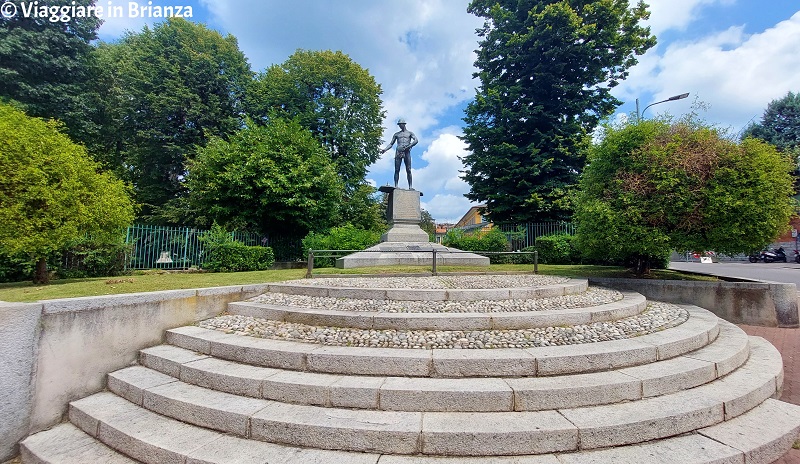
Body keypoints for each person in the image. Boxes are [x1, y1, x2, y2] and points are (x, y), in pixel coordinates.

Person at [381, 118, 418, 189]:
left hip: (407, 152)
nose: (400, 126)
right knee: (397, 169)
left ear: (404, 124)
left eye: (400, 125)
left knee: (409, 169)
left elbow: (416, 140)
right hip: (398, 151)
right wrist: (385, 149)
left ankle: (410, 186)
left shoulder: (410, 133)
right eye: (399, 125)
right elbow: (391, 144)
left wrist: (409, 146)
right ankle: (396, 185)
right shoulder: (396, 134)